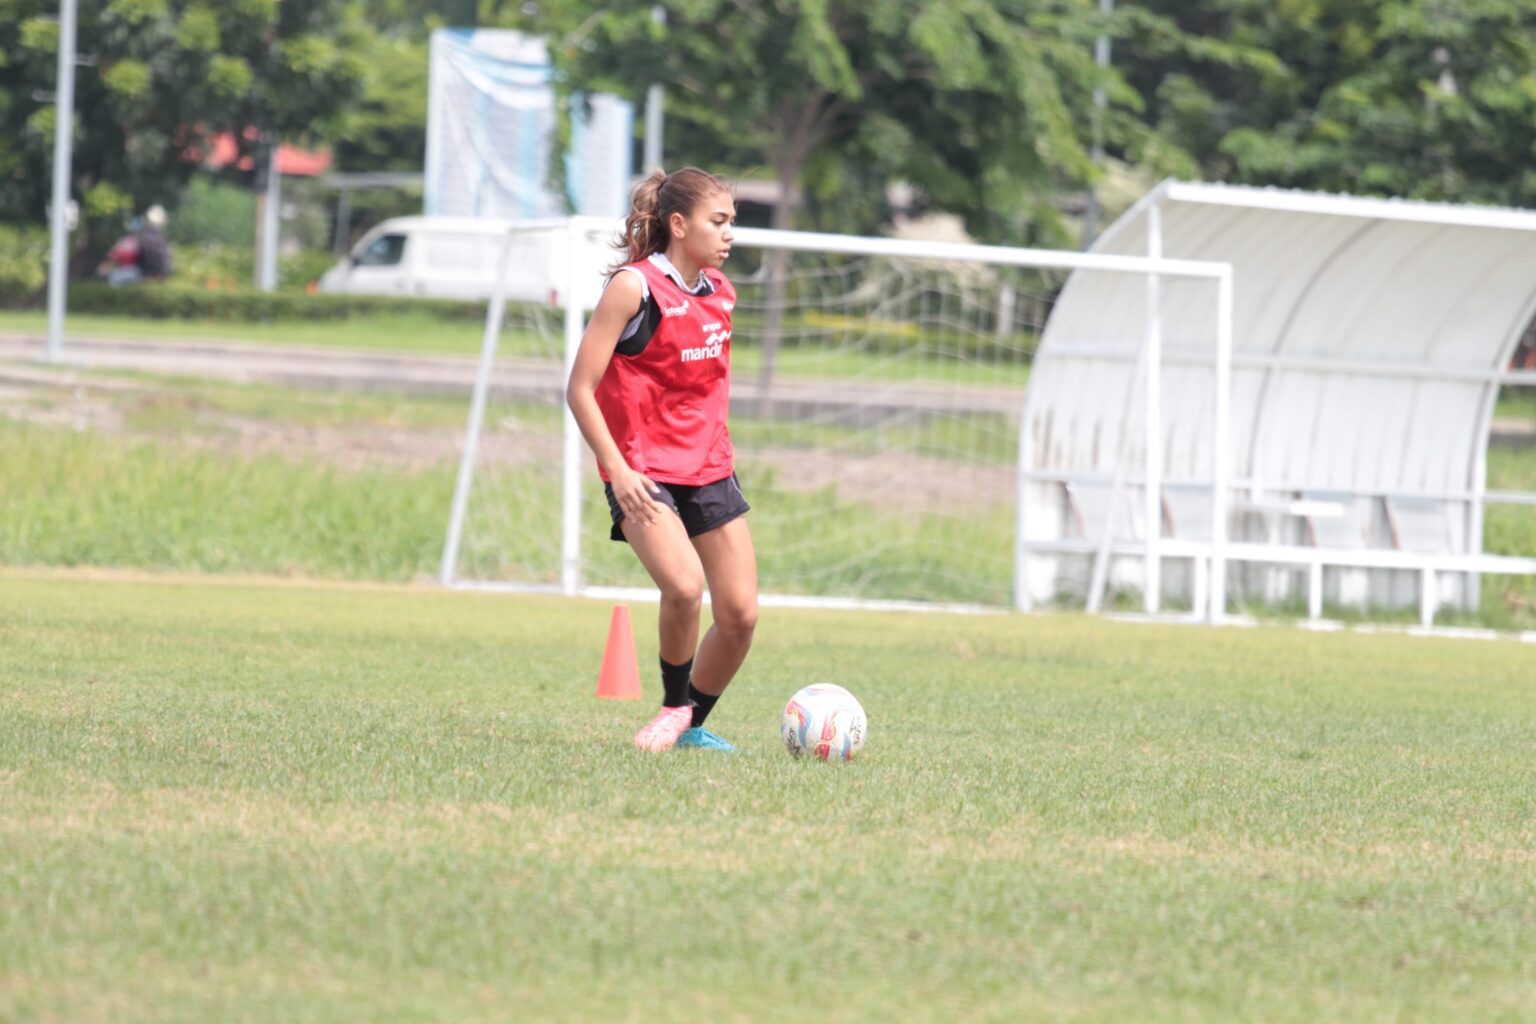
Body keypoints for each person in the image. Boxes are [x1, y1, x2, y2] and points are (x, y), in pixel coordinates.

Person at [566, 167, 758, 754]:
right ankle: (675, 708)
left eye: (732, 223)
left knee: (741, 616)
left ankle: (691, 725)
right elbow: (580, 387)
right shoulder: (635, 287)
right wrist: (617, 470)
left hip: (709, 468)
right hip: (642, 473)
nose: (730, 235)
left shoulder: (721, 292)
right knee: (682, 587)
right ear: (679, 224)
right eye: (718, 222)